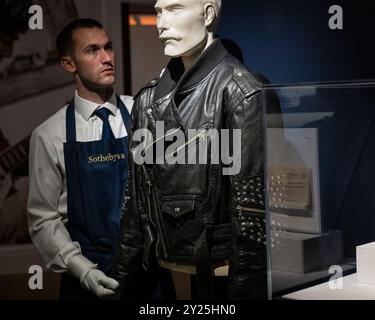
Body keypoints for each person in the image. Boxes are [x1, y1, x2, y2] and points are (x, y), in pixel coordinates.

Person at [111, 0, 270, 299]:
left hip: (217, 271)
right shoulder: (147, 99)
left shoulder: (239, 91)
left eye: (174, 9)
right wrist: (121, 286)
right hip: (160, 270)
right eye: (158, 12)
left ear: (208, 14)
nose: (160, 23)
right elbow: (135, 204)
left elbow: (250, 216)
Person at [27, 19, 133, 300]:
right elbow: (43, 219)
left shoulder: (143, 114)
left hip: (149, 276)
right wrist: (83, 270)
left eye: (108, 48)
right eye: (92, 50)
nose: (107, 57)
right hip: (86, 280)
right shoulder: (49, 134)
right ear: (68, 64)